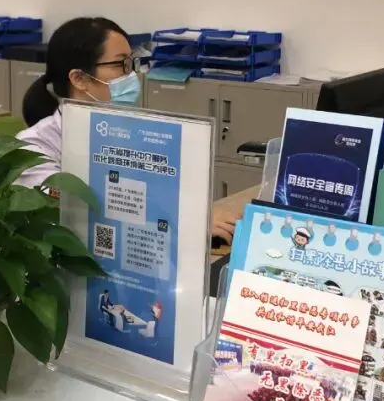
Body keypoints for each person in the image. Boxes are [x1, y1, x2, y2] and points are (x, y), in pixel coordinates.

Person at [16, 16, 237, 243]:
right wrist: (186, 221)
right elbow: (73, 207)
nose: (131, 76)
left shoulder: (133, 134)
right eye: (120, 64)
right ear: (79, 78)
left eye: (132, 63)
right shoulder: (30, 147)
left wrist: (195, 214)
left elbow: (163, 195)